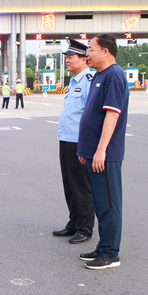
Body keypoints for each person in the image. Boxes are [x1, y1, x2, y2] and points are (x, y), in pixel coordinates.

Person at [77, 34, 129, 270]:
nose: (87, 53)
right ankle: (103, 246)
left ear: (105, 51)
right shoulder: (100, 75)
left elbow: (111, 115)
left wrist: (100, 150)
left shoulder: (114, 75)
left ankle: (110, 254)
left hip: (106, 154)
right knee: (100, 203)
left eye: (91, 49)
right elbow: (92, 114)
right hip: (93, 152)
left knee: (109, 204)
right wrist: (85, 149)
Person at [52, 38, 95, 246]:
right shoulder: (73, 81)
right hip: (66, 139)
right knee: (69, 184)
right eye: (67, 57)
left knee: (81, 186)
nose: (67, 60)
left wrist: (88, 144)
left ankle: (85, 228)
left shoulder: (89, 81)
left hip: (80, 142)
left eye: (71, 57)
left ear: (84, 58)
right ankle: (74, 222)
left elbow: (92, 115)